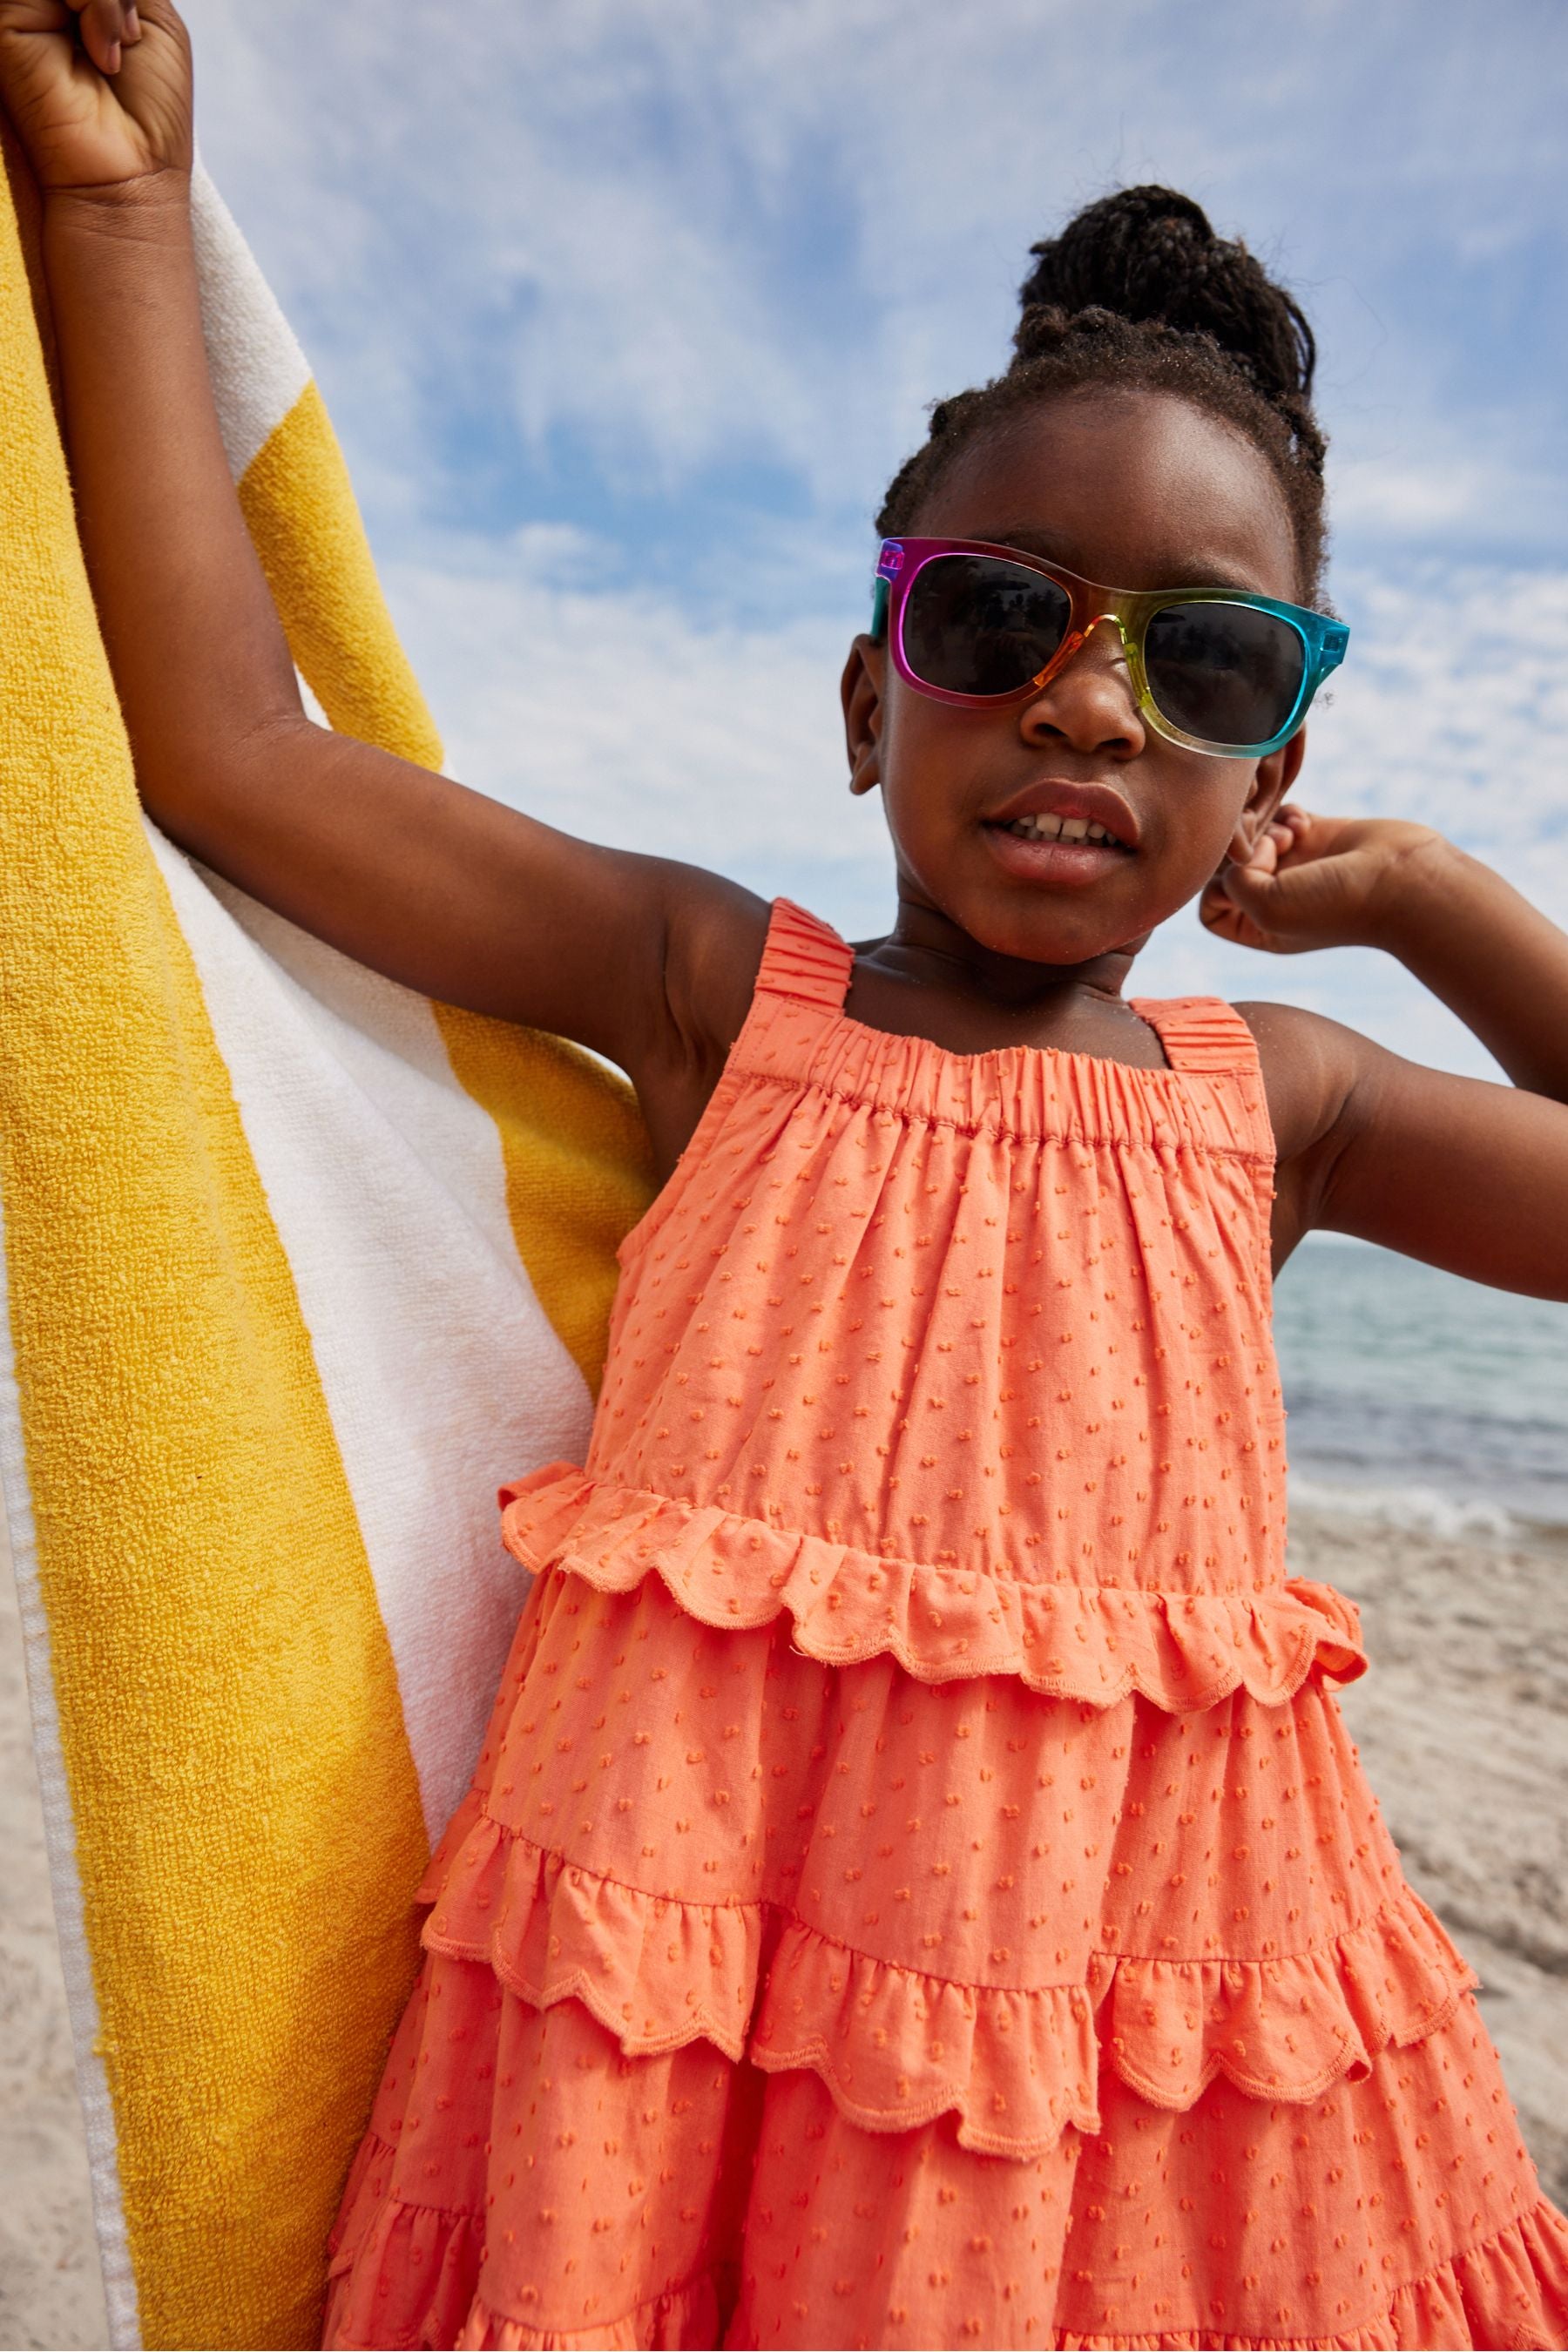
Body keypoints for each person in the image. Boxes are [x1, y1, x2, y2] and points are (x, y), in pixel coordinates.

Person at [5, 3, 1568, 2346]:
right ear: (871, 698)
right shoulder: (722, 988)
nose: (1089, 701)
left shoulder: (1287, 1100)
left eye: (1209, 661)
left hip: (1132, 2056)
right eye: (998, 613)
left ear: (1270, 769)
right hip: (681, 2025)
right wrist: (115, 206)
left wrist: (1423, 893)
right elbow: (233, 752)